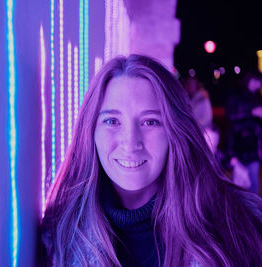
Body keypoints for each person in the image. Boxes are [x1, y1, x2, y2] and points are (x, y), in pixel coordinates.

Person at [39, 55, 262, 266]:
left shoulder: (239, 226)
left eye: (150, 122)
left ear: (174, 132)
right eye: (112, 121)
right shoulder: (59, 236)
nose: (130, 142)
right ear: (90, 132)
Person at [225, 72, 262, 194]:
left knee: (253, 184)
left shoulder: (258, 98)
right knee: (239, 185)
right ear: (248, 80)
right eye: (255, 81)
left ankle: (254, 212)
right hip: (237, 146)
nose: (257, 85)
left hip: (253, 147)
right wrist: (251, 112)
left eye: (259, 82)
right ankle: (239, 211)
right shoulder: (236, 96)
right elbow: (230, 115)